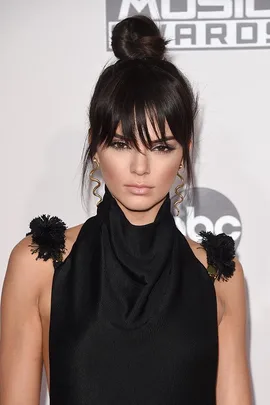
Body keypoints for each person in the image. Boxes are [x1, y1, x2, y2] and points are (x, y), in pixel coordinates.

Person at [0, 14, 252, 405]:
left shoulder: (219, 276)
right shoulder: (38, 265)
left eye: (160, 147)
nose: (140, 167)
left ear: (185, 151)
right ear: (95, 146)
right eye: (121, 144)